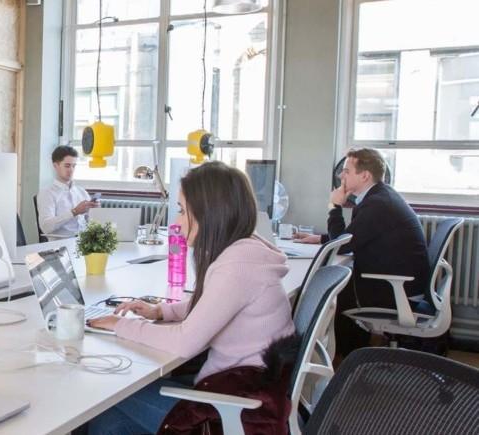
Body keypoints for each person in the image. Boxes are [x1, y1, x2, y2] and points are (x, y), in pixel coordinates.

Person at [86, 162, 295, 435]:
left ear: (210, 213)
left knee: (106, 396)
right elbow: (217, 303)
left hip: (234, 412)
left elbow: (184, 342)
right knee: (109, 423)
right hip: (244, 391)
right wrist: (161, 312)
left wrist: (118, 324)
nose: (177, 221)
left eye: (183, 211)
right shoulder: (245, 251)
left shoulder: (237, 266)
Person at [294, 147, 428, 357]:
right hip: (403, 284)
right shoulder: (381, 197)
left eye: (346, 171)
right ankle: (348, 355)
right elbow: (358, 236)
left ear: (364, 175)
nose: (340, 175)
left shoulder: (377, 204)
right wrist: (321, 238)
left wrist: (334, 206)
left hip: (396, 291)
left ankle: (344, 358)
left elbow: (344, 244)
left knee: (331, 289)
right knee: (338, 284)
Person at [37, 145, 99, 238]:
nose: (71, 170)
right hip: (60, 246)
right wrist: (74, 212)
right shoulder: (47, 193)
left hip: (84, 242)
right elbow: (46, 227)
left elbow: (90, 222)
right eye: (67, 166)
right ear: (55, 166)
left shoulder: (81, 192)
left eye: (74, 166)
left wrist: (95, 211)